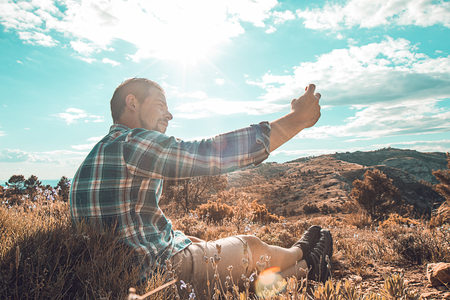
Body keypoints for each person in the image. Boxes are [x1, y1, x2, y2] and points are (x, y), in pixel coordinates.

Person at [69, 78, 333, 297]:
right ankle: (306, 259)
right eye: (161, 105)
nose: (169, 114)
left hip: (123, 267)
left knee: (199, 242)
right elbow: (206, 154)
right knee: (252, 248)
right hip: (155, 271)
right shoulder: (132, 142)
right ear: (132, 102)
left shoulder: (102, 150)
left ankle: (292, 264)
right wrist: (296, 120)